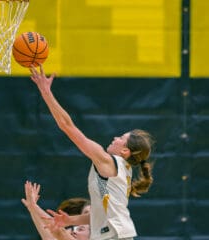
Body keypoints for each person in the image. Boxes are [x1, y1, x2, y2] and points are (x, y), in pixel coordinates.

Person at [29, 65, 154, 240]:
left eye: (121, 138)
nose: (116, 137)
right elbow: (100, 215)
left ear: (125, 150)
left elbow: (67, 126)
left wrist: (46, 92)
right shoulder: (122, 170)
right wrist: (69, 220)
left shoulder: (108, 161)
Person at [21, 180, 90, 240]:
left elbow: (59, 234)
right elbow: (51, 237)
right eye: (86, 213)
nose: (74, 232)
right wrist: (32, 207)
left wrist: (34, 207)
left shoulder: (97, 231)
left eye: (81, 229)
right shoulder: (75, 229)